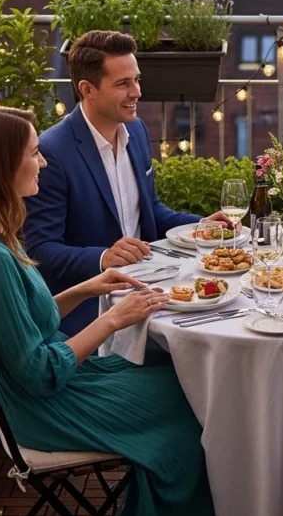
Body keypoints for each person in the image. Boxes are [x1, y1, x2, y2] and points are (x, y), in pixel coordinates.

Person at [0, 106, 215, 516]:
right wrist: (113, 318)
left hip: (47, 390)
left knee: (175, 374)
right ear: (0, 167)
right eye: (33, 153)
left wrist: (87, 288)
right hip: (45, 407)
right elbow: (40, 371)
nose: (43, 161)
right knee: (190, 403)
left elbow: (23, 320)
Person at [24, 30, 233, 335]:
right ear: (87, 89)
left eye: (136, 80)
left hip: (153, 287)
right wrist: (102, 257)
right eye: (123, 84)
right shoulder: (53, 152)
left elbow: (150, 210)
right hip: (91, 311)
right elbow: (41, 249)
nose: (136, 92)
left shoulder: (135, 131)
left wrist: (199, 226)